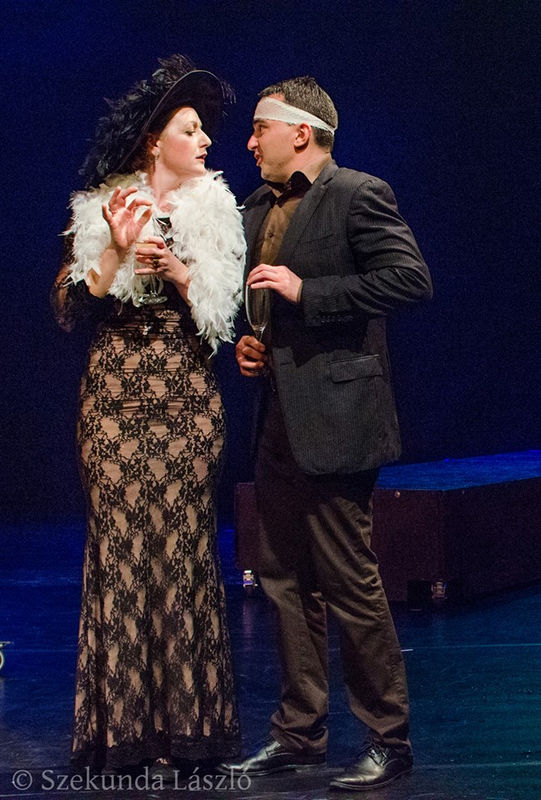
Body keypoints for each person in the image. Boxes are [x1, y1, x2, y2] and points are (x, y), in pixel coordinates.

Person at [220, 77, 433, 791]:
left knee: (348, 576)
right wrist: (252, 344)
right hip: (278, 416)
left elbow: (409, 280)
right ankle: (298, 733)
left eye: (260, 128)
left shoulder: (358, 194)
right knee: (282, 577)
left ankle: (388, 738)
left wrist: (308, 293)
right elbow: (260, 307)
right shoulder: (257, 206)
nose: (249, 142)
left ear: (300, 132)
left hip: (339, 417)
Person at [51, 55, 245, 776]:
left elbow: (223, 314)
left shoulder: (218, 209)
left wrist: (177, 271)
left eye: (203, 131)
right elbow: (70, 305)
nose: (204, 141)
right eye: (190, 129)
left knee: (183, 545)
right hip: (115, 393)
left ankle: (189, 729)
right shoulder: (104, 206)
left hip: (185, 391)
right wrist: (117, 250)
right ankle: (125, 731)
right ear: (154, 140)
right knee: (122, 550)